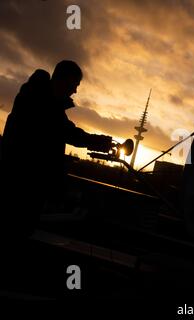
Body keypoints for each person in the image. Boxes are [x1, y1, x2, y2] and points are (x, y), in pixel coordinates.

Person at [0, 60, 112, 239]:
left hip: (20, 181)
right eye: (74, 85)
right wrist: (96, 141)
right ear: (63, 80)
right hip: (23, 185)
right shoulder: (43, 102)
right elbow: (66, 131)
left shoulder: (37, 97)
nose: (75, 91)